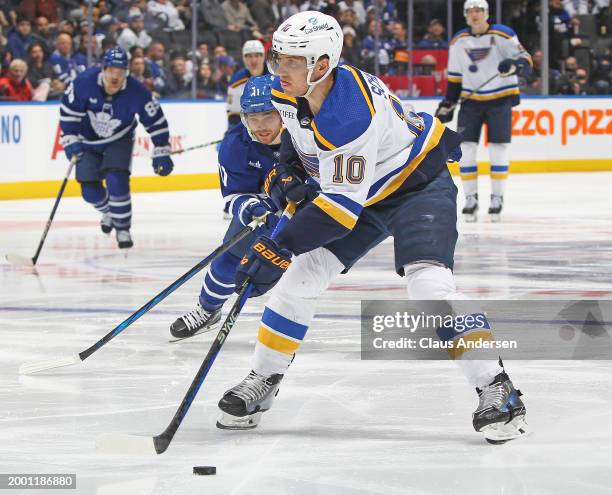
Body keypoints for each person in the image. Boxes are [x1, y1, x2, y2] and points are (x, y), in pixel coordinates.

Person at [215, 11, 527, 444]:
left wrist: (277, 247)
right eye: (277, 57)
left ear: (321, 65)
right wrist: (287, 171)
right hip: (365, 191)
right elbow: (294, 134)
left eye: (290, 61)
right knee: (299, 280)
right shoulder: (288, 88)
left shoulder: (348, 113)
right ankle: (263, 379)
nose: (277, 70)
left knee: (428, 286)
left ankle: (497, 387)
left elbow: (340, 210)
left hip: (417, 183)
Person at [170, 75, 281, 339]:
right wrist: (252, 207)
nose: (261, 125)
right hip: (266, 214)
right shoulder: (235, 144)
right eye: (253, 117)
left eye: (268, 115)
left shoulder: (306, 133)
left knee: (307, 275)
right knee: (228, 260)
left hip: (310, 212)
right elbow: (234, 197)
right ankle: (207, 310)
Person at [59, 47, 174, 249]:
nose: (115, 75)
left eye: (120, 71)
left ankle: (123, 228)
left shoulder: (137, 91)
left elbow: (155, 120)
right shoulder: (83, 83)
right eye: (111, 70)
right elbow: (69, 112)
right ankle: (109, 212)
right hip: (87, 140)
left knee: (116, 180)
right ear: (103, 68)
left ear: (126, 72)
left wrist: (162, 149)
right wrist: (69, 138)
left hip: (119, 138)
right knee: (90, 191)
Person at [435, 0, 532, 222]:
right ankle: (470, 198)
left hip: (500, 100)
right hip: (471, 102)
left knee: (498, 149)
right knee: (466, 149)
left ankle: (497, 197)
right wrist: (449, 102)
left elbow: (526, 60)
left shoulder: (503, 34)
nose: (475, 14)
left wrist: (514, 66)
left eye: (479, 10)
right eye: (470, 11)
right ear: (465, 15)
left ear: (486, 13)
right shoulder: (458, 41)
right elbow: (455, 78)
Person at [226, 39, 267, 127]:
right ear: (244, 58)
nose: (253, 60)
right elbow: (233, 115)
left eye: (257, 55)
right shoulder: (236, 81)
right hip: (247, 129)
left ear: (263, 57)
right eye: (249, 56)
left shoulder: (276, 76)